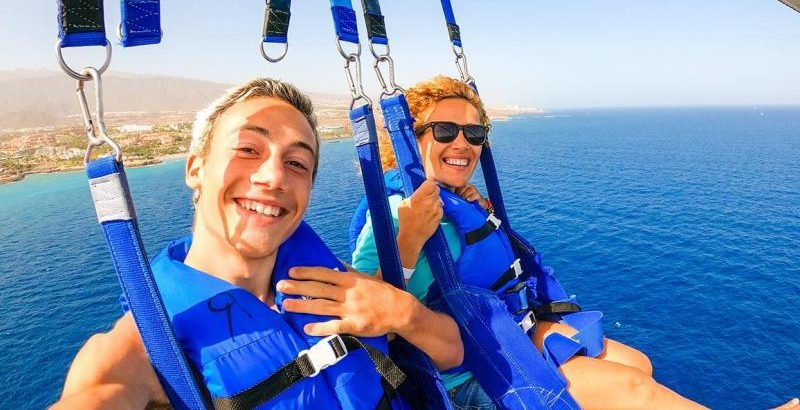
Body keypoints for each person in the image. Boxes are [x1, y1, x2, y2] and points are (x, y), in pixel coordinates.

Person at [351, 75, 799, 410]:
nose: (463, 143)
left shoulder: (456, 201)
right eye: (445, 131)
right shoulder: (394, 213)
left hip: (501, 332)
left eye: (474, 133)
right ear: (412, 139)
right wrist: (408, 240)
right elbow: (363, 320)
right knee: (633, 391)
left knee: (639, 364)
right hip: (465, 373)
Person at [54, 77, 463, 409]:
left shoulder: (330, 280)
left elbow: (453, 349)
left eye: (296, 163)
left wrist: (404, 313)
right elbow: (99, 395)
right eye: (249, 149)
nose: (274, 177)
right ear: (196, 169)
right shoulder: (143, 348)